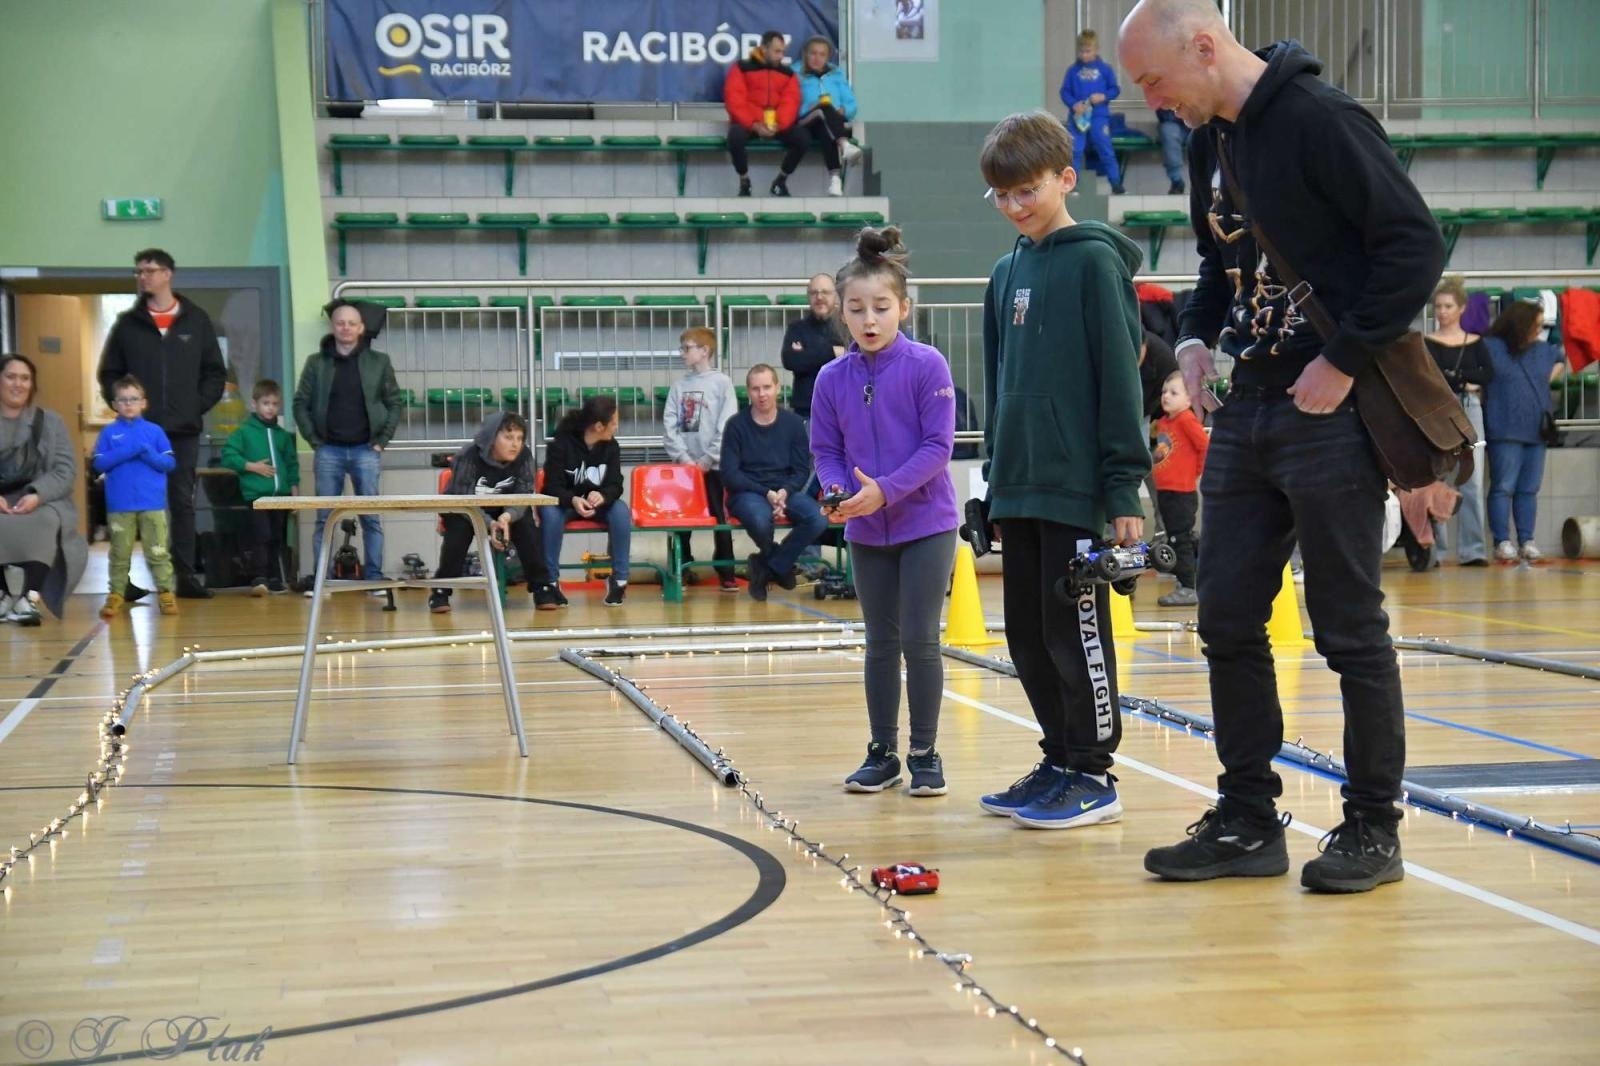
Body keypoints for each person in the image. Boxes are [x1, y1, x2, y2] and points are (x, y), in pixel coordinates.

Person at [1119, 0, 1446, 892]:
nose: (1153, 101)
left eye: (1154, 80)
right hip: (1250, 406)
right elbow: (1215, 263)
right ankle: (1248, 821)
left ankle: (1373, 829)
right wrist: (1193, 332)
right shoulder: (1206, 141)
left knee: (1348, 629)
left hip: (1330, 413)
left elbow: (1415, 247)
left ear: (1203, 44)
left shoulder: (1321, 120)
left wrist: (1343, 360)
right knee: (1225, 617)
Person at [974, 111, 1150, 828]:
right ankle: (1059, 758)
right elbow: (998, 380)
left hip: (1078, 487)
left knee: (1076, 633)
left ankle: (1094, 772)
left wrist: (1121, 486)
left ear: (1065, 179)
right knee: (1025, 632)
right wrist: (993, 479)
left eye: (1028, 190)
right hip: (1019, 485)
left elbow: (1120, 378)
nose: (1017, 205)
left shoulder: (1095, 262)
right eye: (1003, 195)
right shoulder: (1005, 272)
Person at [811, 227, 960, 797]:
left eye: (881, 307)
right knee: (879, 640)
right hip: (865, 527)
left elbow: (937, 448)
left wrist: (885, 491)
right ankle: (883, 752)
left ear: (903, 307)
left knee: (920, 640)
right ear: (842, 315)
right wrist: (834, 491)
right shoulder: (830, 378)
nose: (869, 320)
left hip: (927, 525)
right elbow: (826, 451)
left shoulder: (928, 366)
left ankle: (925, 752)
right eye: (857, 309)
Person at [96, 248, 226, 599]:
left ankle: (184, 578)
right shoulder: (127, 324)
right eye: (139, 271)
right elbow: (108, 373)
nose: (143, 277)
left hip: (182, 432)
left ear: (168, 274)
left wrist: (194, 406)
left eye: (149, 271)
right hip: (137, 432)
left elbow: (215, 372)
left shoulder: (196, 320)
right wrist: (123, 407)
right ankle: (125, 582)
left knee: (181, 504)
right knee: (133, 504)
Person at [293, 299, 404, 592]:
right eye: (340, 322)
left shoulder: (380, 362)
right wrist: (314, 441)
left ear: (361, 328)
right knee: (324, 519)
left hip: (367, 449)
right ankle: (321, 581)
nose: (345, 328)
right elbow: (300, 404)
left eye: (351, 323)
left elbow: (394, 403)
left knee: (371, 518)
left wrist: (382, 441)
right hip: (327, 449)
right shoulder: (316, 363)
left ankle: (374, 579)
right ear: (333, 326)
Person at [722, 365, 827, 602]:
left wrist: (784, 491)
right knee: (760, 521)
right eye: (756, 389)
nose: (762, 394)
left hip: (784, 490)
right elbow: (730, 474)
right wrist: (766, 492)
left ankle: (769, 565)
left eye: (767, 387)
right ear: (748, 392)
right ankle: (779, 562)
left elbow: (801, 470)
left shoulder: (793, 424)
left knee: (817, 518)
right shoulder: (736, 425)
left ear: (778, 388)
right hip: (747, 492)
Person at [430, 411, 552, 614]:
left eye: (520, 438)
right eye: (508, 437)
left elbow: (524, 494)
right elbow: (464, 498)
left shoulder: (524, 457)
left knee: (527, 526)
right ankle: (441, 590)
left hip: (506, 509)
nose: (515, 444)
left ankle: (542, 587)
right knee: (458, 534)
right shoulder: (468, 456)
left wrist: (506, 517)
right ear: (492, 437)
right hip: (465, 509)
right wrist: (489, 523)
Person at [0, 354, 88, 625]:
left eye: (25, 378)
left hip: (40, 499)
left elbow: (65, 470)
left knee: (47, 520)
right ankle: (4, 595)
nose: (18, 384)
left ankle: (27, 597)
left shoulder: (51, 422)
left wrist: (37, 495)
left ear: (32, 384)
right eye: (11, 377)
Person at [1482, 300, 1567, 562]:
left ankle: (1527, 539)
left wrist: (1547, 379)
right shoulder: (1492, 346)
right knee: (1503, 486)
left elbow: (1561, 359)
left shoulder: (1543, 350)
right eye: (1536, 325)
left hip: (1536, 428)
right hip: (1504, 426)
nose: (1539, 331)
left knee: (1529, 488)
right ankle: (1502, 541)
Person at [92, 375, 179, 618]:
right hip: (119, 505)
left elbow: (169, 463)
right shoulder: (109, 433)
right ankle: (116, 593)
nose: (129, 404)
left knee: (158, 550)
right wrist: (130, 449)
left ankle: (165, 592)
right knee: (120, 552)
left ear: (144, 403)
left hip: (153, 504)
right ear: (115, 404)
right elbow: (99, 464)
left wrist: (147, 451)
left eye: (134, 399)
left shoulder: (155, 431)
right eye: (123, 400)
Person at [663, 327, 739, 592]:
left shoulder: (722, 383)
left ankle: (726, 569)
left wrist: (708, 458)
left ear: (704, 351)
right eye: (682, 348)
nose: (683, 353)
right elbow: (669, 426)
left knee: (720, 517)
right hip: (685, 468)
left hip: (714, 466)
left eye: (687, 348)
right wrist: (685, 459)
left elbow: (727, 423)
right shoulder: (678, 387)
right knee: (682, 519)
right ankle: (681, 566)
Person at [1425, 276, 1494, 565]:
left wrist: (1460, 379)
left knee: (1473, 481)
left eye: (1448, 306)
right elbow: (1428, 378)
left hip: (1469, 410)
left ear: (1461, 309)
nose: (1442, 311)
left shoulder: (1476, 342)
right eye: (1438, 306)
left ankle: (1473, 550)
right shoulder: (1427, 342)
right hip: (1438, 412)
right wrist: (1466, 379)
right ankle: (1436, 550)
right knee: (1437, 477)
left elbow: (1487, 374)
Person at [539, 395, 630, 607]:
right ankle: (550, 581)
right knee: (550, 513)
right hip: (567, 504)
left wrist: (604, 495)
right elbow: (550, 487)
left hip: (599, 505)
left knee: (621, 511)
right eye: (614, 422)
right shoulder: (561, 444)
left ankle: (619, 580)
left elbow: (616, 484)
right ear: (599, 426)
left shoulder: (611, 447)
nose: (617, 427)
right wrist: (572, 500)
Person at [219, 379, 300, 595]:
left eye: (274, 404)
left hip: (280, 496)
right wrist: (251, 466)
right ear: (254, 405)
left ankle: (275, 577)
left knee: (277, 536)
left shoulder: (282, 436)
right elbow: (228, 455)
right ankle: (259, 577)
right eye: (266, 403)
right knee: (260, 535)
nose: (270, 408)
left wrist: (294, 492)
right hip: (256, 496)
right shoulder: (244, 432)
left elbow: (292, 464)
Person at [724, 30, 807, 198]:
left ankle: (780, 181)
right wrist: (754, 124)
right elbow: (734, 99)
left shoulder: (788, 73)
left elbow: (791, 101)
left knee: (803, 137)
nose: (780, 56)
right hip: (751, 124)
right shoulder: (741, 68)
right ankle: (744, 181)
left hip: (775, 125)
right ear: (764, 48)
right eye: (777, 51)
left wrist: (779, 124)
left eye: (782, 52)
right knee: (735, 136)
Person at [1151, 371, 1208, 605]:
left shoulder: (1186, 419)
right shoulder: (1164, 422)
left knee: (1179, 538)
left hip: (1180, 493)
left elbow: (1205, 446)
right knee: (1178, 535)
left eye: (1174, 393)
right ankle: (1196, 571)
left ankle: (1187, 586)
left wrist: (1194, 472)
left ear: (1189, 399)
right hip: (1166, 491)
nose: (1166, 396)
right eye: (1165, 392)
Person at [1059, 31, 1126, 195]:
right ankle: (1072, 185)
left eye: (1088, 51)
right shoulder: (1072, 71)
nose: (1084, 55)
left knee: (1105, 148)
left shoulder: (1105, 69)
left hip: (1099, 117)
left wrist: (1104, 96)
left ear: (1096, 50)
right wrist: (1073, 104)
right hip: (1078, 117)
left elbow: (1115, 89)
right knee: (1075, 150)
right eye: (1081, 51)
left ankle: (1116, 183)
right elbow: (1064, 91)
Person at [796, 36, 861, 197]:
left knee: (825, 126)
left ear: (827, 56)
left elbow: (851, 103)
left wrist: (843, 110)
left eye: (822, 54)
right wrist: (806, 107)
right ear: (805, 54)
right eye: (813, 53)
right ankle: (844, 144)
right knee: (823, 107)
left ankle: (835, 180)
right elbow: (788, 103)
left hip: (831, 122)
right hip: (806, 120)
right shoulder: (795, 73)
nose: (817, 58)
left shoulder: (836, 73)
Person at [782, 274, 847, 419]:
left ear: (836, 296)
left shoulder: (847, 328)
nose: (819, 297)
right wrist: (832, 352)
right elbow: (790, 360)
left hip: (842, 410)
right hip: (806, 411)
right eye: (814, 292)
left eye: (825, 292)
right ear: (808, 297)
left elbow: (853, 360)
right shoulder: (796, 328)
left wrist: (807, 353)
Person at [1157, 108, 1189, 194]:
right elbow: (1164, 114)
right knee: (1168, 130)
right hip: (1174, 123)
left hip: (1200, 123)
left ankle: (1211, 179)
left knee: (1209, 131)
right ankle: (1176, 181)